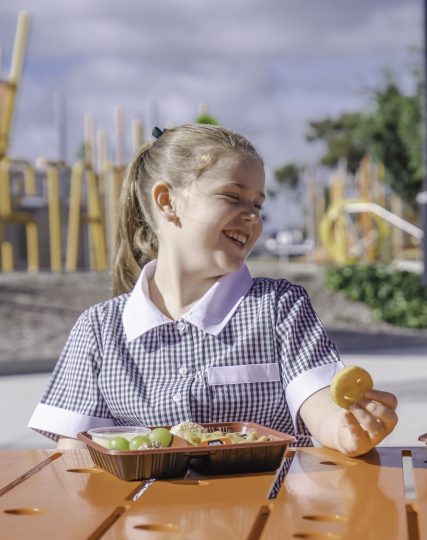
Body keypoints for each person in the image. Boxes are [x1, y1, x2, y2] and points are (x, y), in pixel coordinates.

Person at [28, 123, 397, 457]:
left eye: (257, 203)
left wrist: (346, 430)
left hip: (271, 519)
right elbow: (74, 455)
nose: (252, 215)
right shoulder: (99, 328)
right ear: (166, 201)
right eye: (232, 196)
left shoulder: (280, 307)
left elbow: (319, 402)